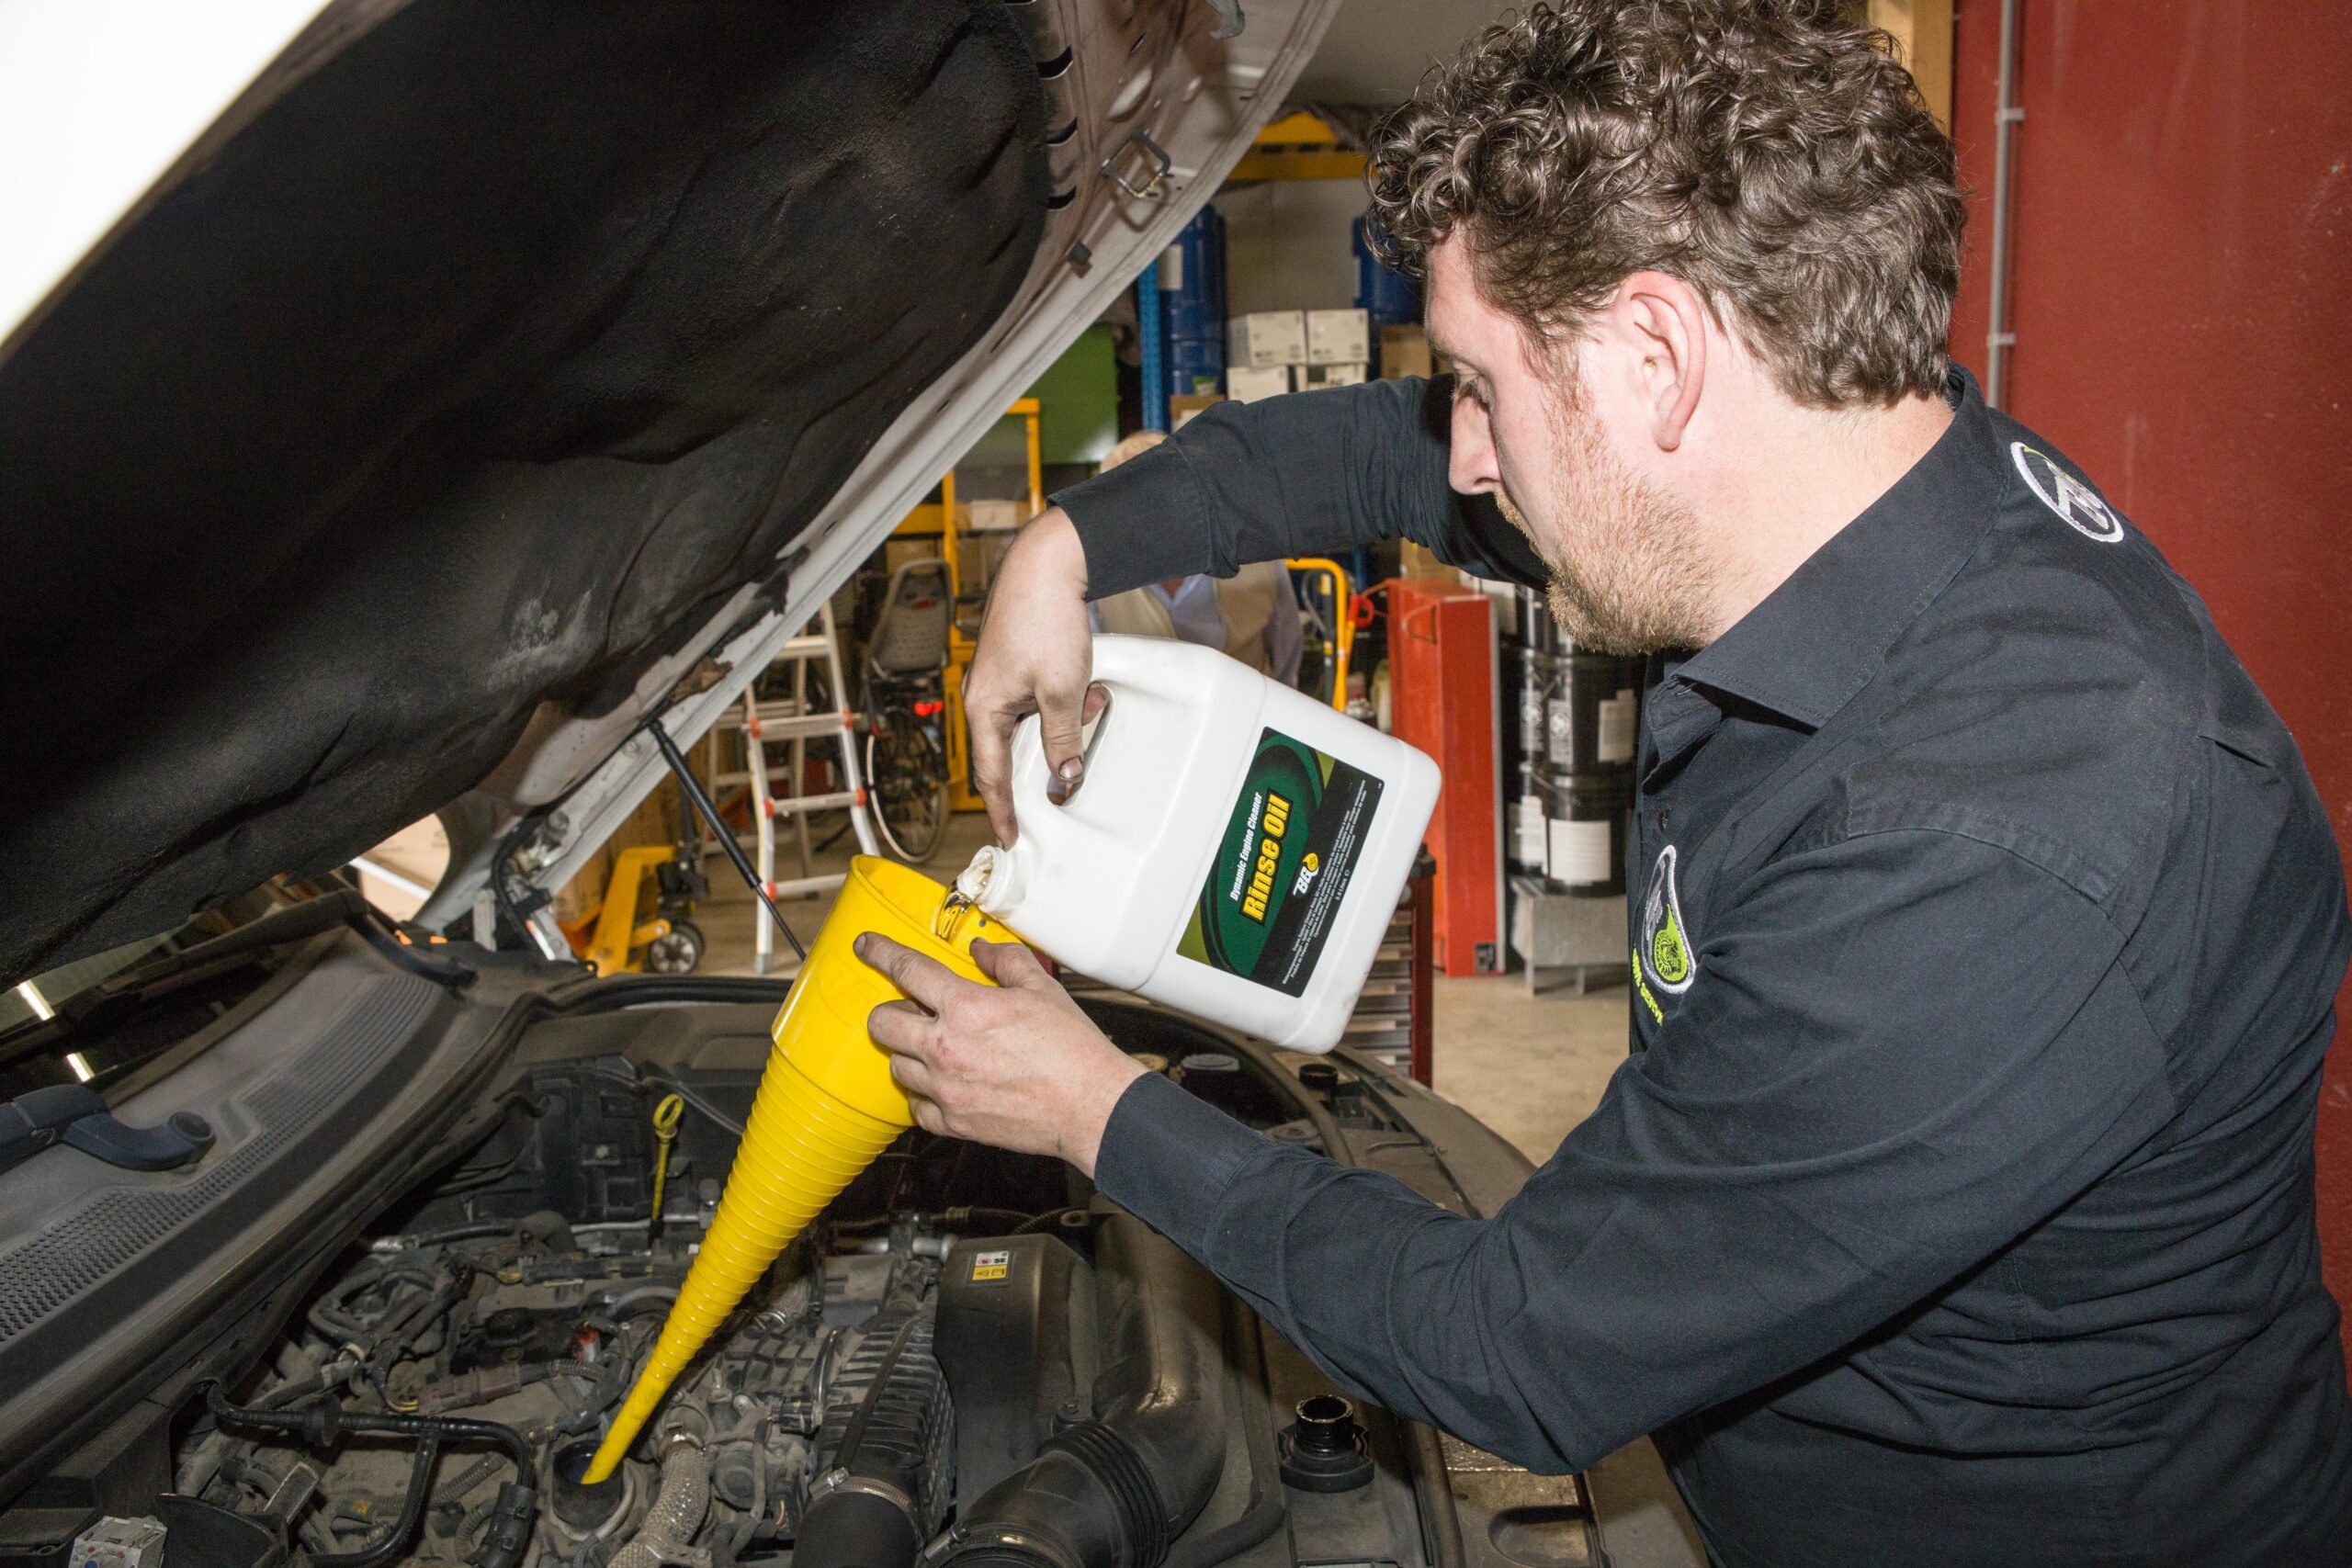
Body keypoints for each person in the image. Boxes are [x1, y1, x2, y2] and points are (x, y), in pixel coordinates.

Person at [852, 4, 2352, 1563]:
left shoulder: (2003, 837)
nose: (1471, 456)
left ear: (1658, 355)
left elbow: (1520, 1346)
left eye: (1486, 387)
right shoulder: (1829, 497)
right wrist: (1068, 545)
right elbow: (1383, 456)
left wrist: (1098, 1108)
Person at [1085, 430, 1305, 685]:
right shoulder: (1097, 581)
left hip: (1245, 718)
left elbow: (1285, 660)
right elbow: (1096, 674)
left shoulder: (1259, 563)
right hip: (1147, 723)